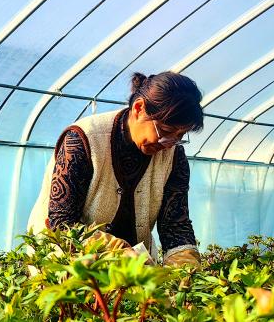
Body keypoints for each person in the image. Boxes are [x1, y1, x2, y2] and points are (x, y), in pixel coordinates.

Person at [27, 72, 204, 267]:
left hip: (132, 271)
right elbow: (62, 222)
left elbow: (175, 225)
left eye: (180, 136)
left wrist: (184, 268)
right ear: (138, 108)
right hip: (67, 267)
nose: (169, 143)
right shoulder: (83, 139)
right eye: (166, 132)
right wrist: (119, 253)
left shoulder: (174, 156)